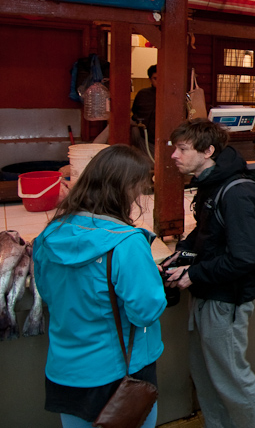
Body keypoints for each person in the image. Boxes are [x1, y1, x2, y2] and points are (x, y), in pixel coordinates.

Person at [32, 144, 165, 428]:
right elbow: (145, 311)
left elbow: (47, 293)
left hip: (65, 370)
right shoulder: (126, 242)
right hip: (119, 374)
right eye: (140, 187)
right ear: (125, 189)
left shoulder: (49, 234)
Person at [163, 118, 255, 428]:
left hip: (225, 301)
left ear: (208, 151)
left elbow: (246, 257)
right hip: (206, 293)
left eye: (182, 149)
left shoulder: (238, 193)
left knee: (233, 379)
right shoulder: (210, 183)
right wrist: (182, 253)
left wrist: (195, 275)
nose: (174, 155)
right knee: (204, 375)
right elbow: (206, 232)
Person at [131, 64, 157, 147]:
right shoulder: (143, 94)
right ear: (150, 80)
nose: (159, 81)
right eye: (155, 78)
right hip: (143, 135)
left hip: (164, 138)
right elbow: (134, 111)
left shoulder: (172, 96)